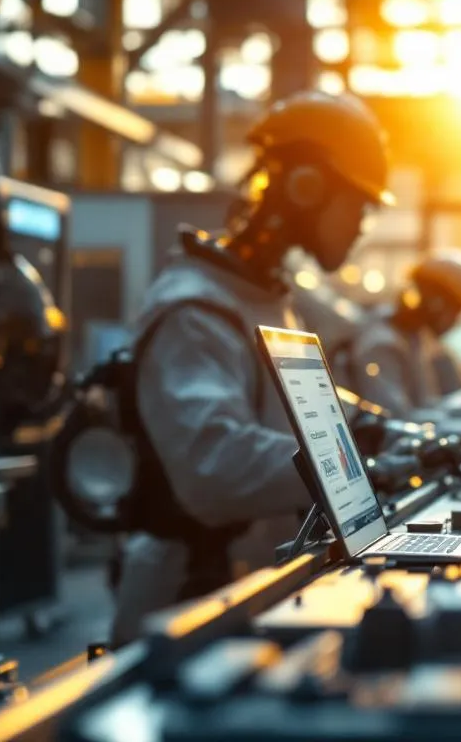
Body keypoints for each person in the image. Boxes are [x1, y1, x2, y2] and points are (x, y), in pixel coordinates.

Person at [112, 91, 391, 644]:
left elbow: (287, 416)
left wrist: (374, 426)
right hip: (189, 605)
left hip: (253, 588)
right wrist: (358, 461)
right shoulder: (196, 309)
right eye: (356, 204)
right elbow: (213, 468)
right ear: (307, 187)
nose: (362, 225)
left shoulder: (259, 298)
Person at [343, 250, 461, 416]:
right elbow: (394, 421)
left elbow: (428, 404)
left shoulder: (416, 341)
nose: (455, 321)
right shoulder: (382, 345)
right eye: (456, 310)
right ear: (436, 304)